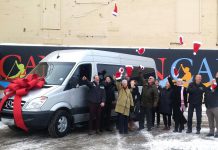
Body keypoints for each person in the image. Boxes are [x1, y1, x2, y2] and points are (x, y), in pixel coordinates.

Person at [205, 72, 218, 137]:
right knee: (210, 120)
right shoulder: (208, 88)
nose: (213, 81)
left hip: (216, 106)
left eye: (214, 81)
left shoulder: (217, 87)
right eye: (212, 80)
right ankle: (211, 132)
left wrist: (216, 79)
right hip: (209, 107)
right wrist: (206, 105)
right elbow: (205, 96)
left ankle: (217, 132)